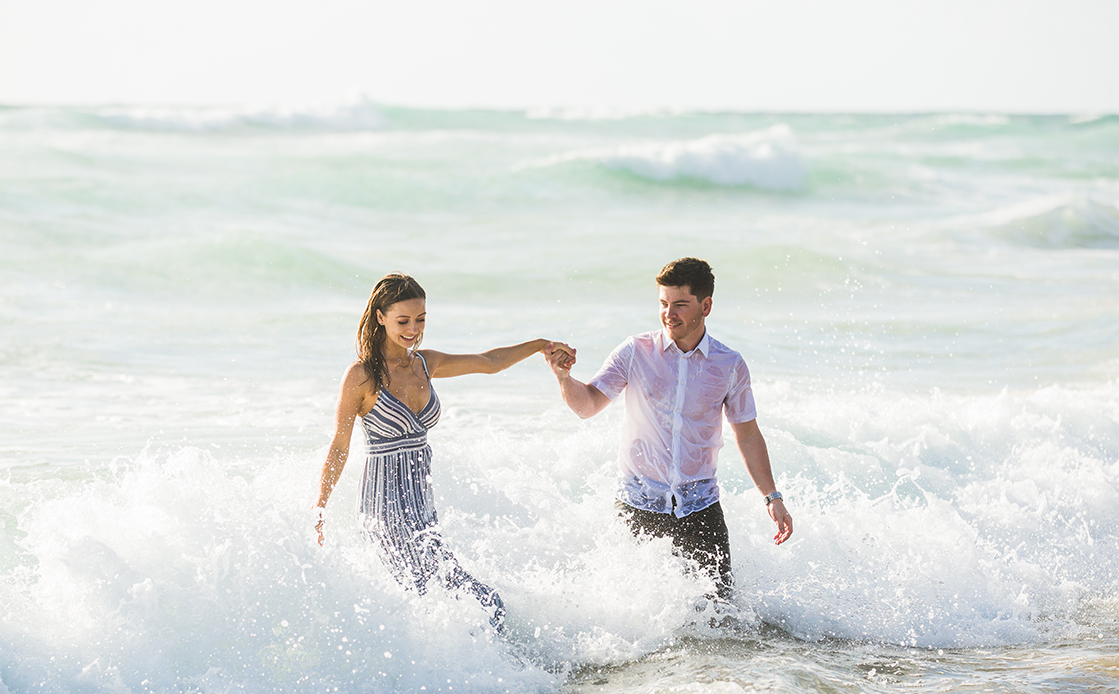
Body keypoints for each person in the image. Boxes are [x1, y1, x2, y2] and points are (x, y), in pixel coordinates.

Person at [313, 273, 569, 631]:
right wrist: (320, 509)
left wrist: (540, 344)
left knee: (466, 605)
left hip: (421, 510)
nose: (413, 329)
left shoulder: (424, 364)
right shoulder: (362, 375)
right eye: (403, 321)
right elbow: (339, 446)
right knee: (447, 602)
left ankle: (483, 677)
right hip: (385, 514)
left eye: (420, 320)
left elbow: (489, 361)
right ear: (380, 317)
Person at [549, 257, 792, 602]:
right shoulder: (635, 352)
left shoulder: (729, 365)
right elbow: (587, 405)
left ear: (705, 306)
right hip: (638, 504)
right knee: (631, 614)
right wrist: (563, 378)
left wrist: (772, 498)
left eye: (680, 304)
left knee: (721, 618)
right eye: (663, 304)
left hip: (700, 507)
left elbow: (748, 434)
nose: (669, 314)